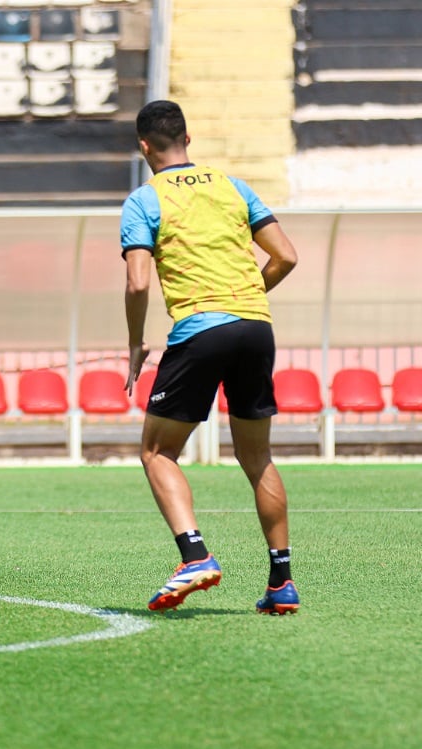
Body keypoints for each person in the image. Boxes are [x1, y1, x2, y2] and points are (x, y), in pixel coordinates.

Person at [121, 100, 301, 614]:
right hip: (254, 325)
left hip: (201, 329)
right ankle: (281, 582)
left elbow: (137, 282)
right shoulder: (231, 185)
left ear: (143, 147)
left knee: (157, 452)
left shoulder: (144, 200)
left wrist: (136, 343)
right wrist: (246, 295)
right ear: (188, 139)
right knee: (257, 456)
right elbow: (285, 255)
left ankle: (195, 555)